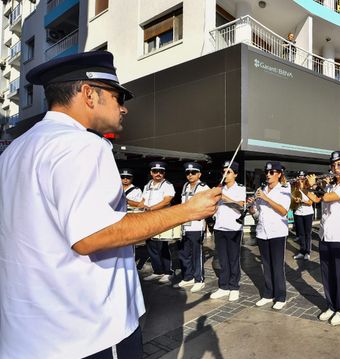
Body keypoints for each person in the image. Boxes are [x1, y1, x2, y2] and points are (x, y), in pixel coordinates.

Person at [0, 51, 221, 358]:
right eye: (118, 97)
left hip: (27, 336)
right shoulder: (82, 145)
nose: (124, 108)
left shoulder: (13, 152)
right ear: (89, 94)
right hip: (88, 333)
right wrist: (190, 210)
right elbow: (93, 235)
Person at [304, 151, 340, 326]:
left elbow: (326, 198)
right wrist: (304, 187)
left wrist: (314, 186)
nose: (335, 168)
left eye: (339, 165)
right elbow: (316, 199)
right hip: (325, 235)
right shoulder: (328, 186)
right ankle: (331, 306)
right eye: (333, 165)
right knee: (327, 275)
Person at [249, 161, 291, 310]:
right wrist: (252, 210)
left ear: (279, 174)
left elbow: (283, 210)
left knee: (277, 265)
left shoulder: (284, 189)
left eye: (272, 172)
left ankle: (281, 296)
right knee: (266, 265)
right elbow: (259, 214)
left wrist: (266, 199)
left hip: (277, 232)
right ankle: (268, 294)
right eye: (267, 172)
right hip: (262, 232)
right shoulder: (261, 190)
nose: (268, 175)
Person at [210, 160, 247, 301]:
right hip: (219, 227)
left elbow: (241, 206)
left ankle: (234, 286)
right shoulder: (219, 188)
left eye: (229, 172)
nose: (225, 174)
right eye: (223, 171)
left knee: (233, 259)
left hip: (233, 228)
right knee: (222, 259)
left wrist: (224, 198)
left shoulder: (240, 189)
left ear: (235, 174)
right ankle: (223, 286)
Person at [173, 162, 210, 292]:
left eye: (193, 173)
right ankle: (188, 277)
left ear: (199, 174)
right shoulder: (185, 186)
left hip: (196, 225)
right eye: (188, 173)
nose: (190, 175)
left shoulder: (203, 187)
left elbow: (209, 204)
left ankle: (199, 279)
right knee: (184, 253)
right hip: (184, 225)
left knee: (196, 254)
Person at [140, 161, 176, 282]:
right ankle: (157, 271)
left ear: (164, 173)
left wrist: (151, 208)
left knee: (162, 246)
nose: (158, 174)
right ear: (151, 173)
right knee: (151, 246)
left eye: (161, 171)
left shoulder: (167, 185)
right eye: (155, 171)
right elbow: (143, 200)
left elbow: (166, 201)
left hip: (160, 218)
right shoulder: (148, 185)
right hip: (148, 218)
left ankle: (168, 272)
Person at [292, 170, 315, 260]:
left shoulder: (309, 188)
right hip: (298, 213)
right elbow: (292, 202)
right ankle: (302, 251)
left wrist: (301, 201)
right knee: (301, 234)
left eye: (302, 177)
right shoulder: (294, 189)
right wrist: (294, 201)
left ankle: (307, 252)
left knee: (307, 233)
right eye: (299, 177)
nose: (300, 179)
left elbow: (310, 202)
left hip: (308, 213)